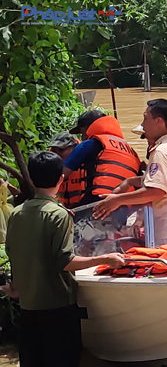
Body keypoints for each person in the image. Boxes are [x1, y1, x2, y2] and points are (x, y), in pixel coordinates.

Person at [4, 151, 125, 367]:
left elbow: (14, 253)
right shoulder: (58, 215)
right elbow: (65, 260)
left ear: (31, 179)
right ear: (61, 179)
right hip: (57, 307)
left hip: (28, 307)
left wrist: (15, 287)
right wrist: (105, 258)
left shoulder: (17, 213)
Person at [93, 99, 167, 245]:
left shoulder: (161, 151)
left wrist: (117, 200)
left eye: (145, 118)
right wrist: (130, 181)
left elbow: (156, 191)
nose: (142, 125)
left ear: (158, 121)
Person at [63, 110, 142, 207]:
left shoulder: (89, 144)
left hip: (98, 202)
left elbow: (62, 175)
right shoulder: (131, 151)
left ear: (89, 128)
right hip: (123, 206)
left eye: (82, 133)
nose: (83, 137)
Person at [49, 132, 82, 208]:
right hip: (60, 212)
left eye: (61, 150)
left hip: (83, 211)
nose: (57, 154)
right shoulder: (49, 165)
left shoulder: (86, 164)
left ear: (74, 147)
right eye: (54, 150)